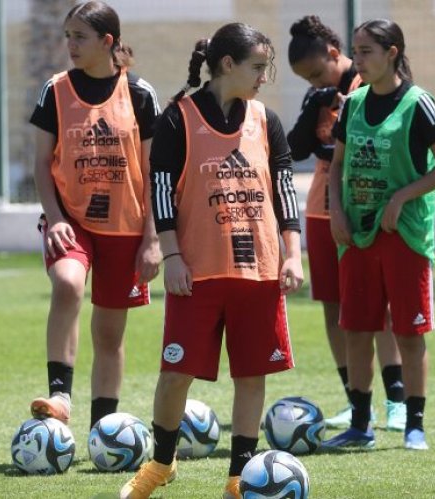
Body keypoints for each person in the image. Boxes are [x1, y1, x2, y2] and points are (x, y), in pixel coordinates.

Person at [119, 22, 303, 499]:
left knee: (251, 374)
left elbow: (284, 190)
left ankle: (239, 477)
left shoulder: (267, 120)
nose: (265, 77)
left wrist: (292, 253)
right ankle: (161, 464)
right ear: (227, 65)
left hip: (258, 270)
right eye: (258, 67)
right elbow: (159, 189)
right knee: (175, 373)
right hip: (195, 272)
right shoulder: (178, 118)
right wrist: (171, 252)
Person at [323, 19, 435, 451]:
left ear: (392, 53)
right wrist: (337, 214)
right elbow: (338, 167)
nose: (357, 59)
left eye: (366, 51)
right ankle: (361, 425)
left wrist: (401, 197)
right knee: (357, 330)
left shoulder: (420, 103)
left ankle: (414, 425)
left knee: (407, 332)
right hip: (359, 234)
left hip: (405, 236)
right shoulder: (353, 103)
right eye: (356, 51)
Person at [28, 1, 161, 429]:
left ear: (107, 41)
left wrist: (153, 239)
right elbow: (40, 165)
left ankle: (104, 428)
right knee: (67, 283)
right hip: (71, 219)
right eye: (67, 36)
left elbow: (156, 172)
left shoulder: (139, 93)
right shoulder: (56, 89)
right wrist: (55, 217)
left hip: (127, 225)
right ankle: (59, 395)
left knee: (108, 334)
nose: (70, 44)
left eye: (79, 36)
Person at [286, 15, 407, 432]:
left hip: (365, 208)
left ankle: (397, 399)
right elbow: (299, 147)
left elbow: (359, 142)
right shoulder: (319, 95)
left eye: (318, 72)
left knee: (379, 309)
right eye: (306, 79)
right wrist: (318, 100)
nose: (313, 81)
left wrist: (332, 109)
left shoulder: (370, 85)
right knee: (335, 306)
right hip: (323, 210)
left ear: (335, 54)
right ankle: (358, 401)